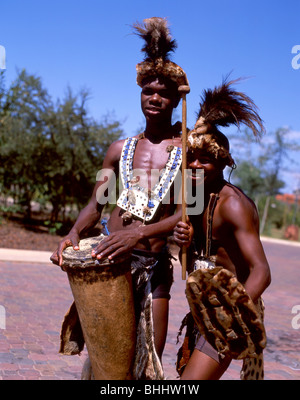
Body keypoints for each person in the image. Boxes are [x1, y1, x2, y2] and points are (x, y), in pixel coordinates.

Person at [50, 17, 189, 379]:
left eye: (163, 92)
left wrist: (139, 234)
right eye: (148, 91)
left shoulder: (186, 154)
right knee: (107, 358)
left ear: (176, 99)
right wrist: (74, 234)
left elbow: (186, 212)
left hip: (153, 265)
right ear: (139, 94)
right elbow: (96, 204)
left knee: (148, 361)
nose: (154, 98)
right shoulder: (118, 149)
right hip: (109, 260)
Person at [173, 78, 271, 380]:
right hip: (204, 307)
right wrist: (180, 240)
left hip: (232, 311)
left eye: (208, 159)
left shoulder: (233, 205)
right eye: (194, 159)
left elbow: (262, 272)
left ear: (224, 162)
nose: (198, 166)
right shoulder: (192, 197)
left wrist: (230, 313)